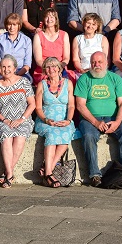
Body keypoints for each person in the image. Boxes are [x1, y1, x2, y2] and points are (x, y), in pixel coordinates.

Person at [74, 51, 122, 186]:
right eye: (94, 62)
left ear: (106, 63)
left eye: (100, 62)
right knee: (89, 136)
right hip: (90, 118)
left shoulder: (115, 78)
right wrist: (95, 122)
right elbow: (80, 105)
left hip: (113, 117)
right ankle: (94, 175)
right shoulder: (84, 79)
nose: (97, 65)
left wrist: (117, 122)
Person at [0, 54, 36, 188]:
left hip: (23, 119)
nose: (6, 70)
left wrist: (21, 119)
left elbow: (32, 104)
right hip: (3, 120)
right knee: (6, 136)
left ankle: (7, 173)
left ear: (15, 68)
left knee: (20, 136)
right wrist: (4, 119)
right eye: (3, 67)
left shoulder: (24, 82)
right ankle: (10, 174)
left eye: (9, 67)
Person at [34, 57, 76, 188]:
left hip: (63, 120)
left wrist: (68, 120)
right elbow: (38, 108)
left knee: (66, 135)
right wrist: (46, 120)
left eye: (54, 66)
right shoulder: (42, 84)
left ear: (59, 68)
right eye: (48, 67)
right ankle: (49, 173)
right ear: (45, 70)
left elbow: (71, 106)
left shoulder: (68, 83)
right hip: (46, 120)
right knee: (52, 135)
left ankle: (47, 170)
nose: (51, 69)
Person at [30, 8, 70, 82]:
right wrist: (49, 70)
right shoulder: (38, 36)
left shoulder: (64, 35)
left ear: (56, 19)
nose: (49, 19)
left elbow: (66, 58)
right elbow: (38, 60)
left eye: (52, 17)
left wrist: (58, 69)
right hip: (44, 70)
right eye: (47, 17)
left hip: (60, 69)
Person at [0, 13, 32, 80]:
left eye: (14, 25)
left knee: (26, 81)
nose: (11, 27)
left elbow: (27, 64)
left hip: (21, 72)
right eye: (9, 24)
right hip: (3, 72)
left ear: (19, 26)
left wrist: (16, 75)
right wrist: (6, 75)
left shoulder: (26, 40)